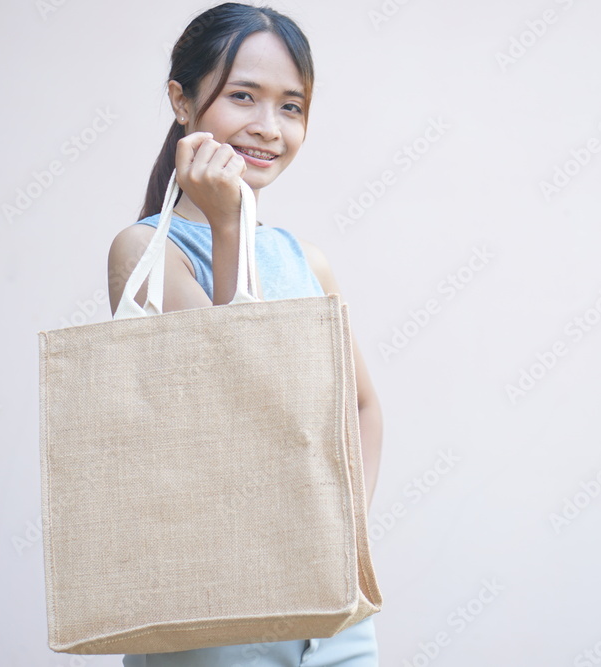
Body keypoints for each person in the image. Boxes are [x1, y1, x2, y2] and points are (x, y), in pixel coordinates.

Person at [106, 3, 383, 665]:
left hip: (329, 601)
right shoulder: (144, 251)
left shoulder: (304, 257)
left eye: (291, 106)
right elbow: (230, 406)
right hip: (213, 606)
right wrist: (230, 228)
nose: (268, 127)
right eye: (243, 97)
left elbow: (363, 406)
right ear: (182, 99)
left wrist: (345, 537)